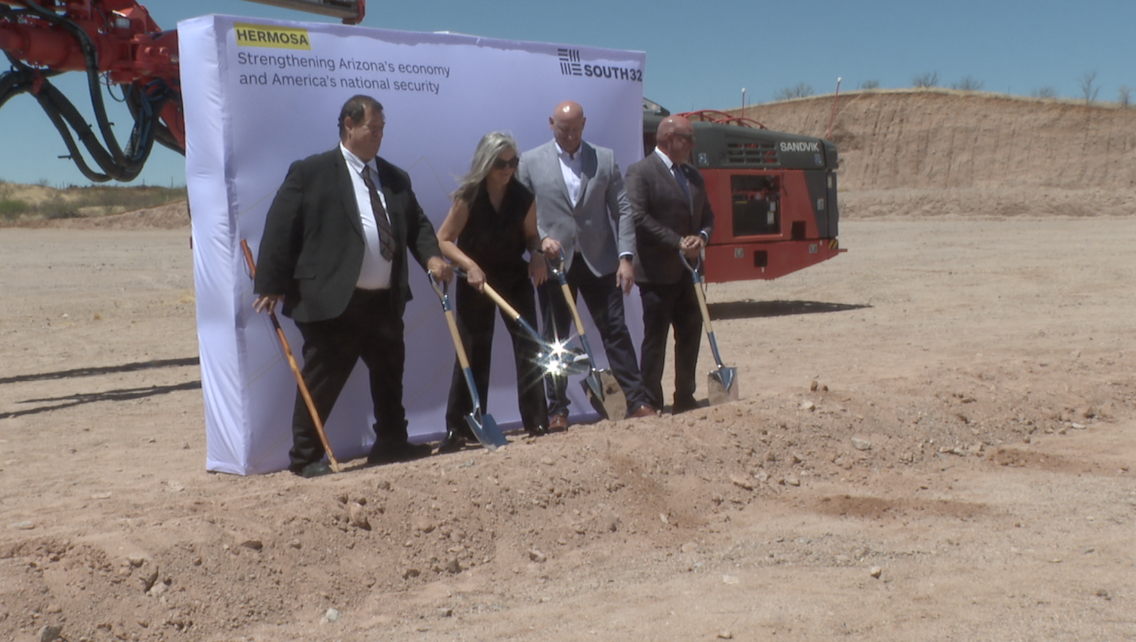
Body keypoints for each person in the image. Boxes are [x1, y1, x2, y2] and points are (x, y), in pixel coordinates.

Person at [253, 95, 452, 478]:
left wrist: (431, 257)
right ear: (349, 124)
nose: (378, 136)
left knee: (390, 372)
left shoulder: (395, 177)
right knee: (323, 378)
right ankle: (306, 455)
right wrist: (272, 283)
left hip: (383, 299)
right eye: (371, 129)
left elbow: (419, 225)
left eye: (381, 130)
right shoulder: (312, 172)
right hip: (332, 300)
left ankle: (392, 441)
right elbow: (281, 227)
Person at [516, 100, 657, 429]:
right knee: (555, 339)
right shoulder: (531, 162)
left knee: (616, 332)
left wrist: (626, 259)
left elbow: (622, 211)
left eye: (575, 129)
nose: (569, 135)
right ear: (551, 123)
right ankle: (557, 411)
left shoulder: (604, 159)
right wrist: (538, 243)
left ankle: (636, 401)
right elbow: (521, 214)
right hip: (554, 263)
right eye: (563, 129)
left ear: (584, 125)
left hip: (600, 261)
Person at [435, 132, 550, 450]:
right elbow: (444, 239)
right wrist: (469, 266)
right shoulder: (469, 196)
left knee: (530, 348)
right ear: (486, 162)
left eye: (513, 162)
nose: (508, 169)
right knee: (472, 351)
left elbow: (531, 236)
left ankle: (537, 419)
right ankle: (459, 427)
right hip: (477, 281)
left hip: (513, 278)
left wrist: (538, 253)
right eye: (501, 163)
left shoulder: (523, 196)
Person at [626, 115, 715, 413]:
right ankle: (650, 400)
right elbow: (638, 217)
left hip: (690, 274)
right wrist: (677, 242)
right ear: (667, 139)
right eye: (687, 138)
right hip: (656, 273)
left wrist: (700, 238)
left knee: (690, 335)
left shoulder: (693, 175)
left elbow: (708, 217)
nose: (693, 144)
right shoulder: (641, 172)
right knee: (655, 340)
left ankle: (685, 397)